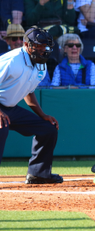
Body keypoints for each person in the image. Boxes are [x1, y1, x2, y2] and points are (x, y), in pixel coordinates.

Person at [0, 27, 63, 184]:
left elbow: (29, 91)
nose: (43, 49)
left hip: (11, 108)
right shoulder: (12, 60)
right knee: (1, 126)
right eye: (38, 45)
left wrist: (42, 115)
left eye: (45, 45)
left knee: (48, 128)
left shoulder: (41, 63)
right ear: (26, 45)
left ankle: (38, 174)